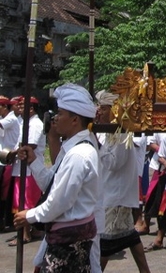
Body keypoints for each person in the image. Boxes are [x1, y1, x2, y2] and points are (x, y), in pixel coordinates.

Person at [14, 84, 99, 272]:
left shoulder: (79, 154)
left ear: (75, 119)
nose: (55, 119)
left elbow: (59, 202)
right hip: (61, 235)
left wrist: (29, 215)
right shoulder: (69, 149)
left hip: (70, 242)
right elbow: (50, 184)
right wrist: (34, 161)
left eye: (60, 114)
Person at [95, 90, 151, 273]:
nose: (99, 112)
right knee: (131, 238)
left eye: (103, 109)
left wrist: (96, 145)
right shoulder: (110, 132)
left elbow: (113, 163)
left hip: (115, 197)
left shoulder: (120, 134)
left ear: (113, 111)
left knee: (105, 244)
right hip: (112, 194)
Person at [10, 96, 45, 245]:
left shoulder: (36, 123)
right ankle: (31, 230)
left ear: (31, 108)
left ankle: (24, 234)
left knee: (25, 201)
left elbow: (32, 144)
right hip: (21, 167)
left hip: (30, 168)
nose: (19, 108)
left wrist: (14, 152)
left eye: (22, 105)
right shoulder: (24, 121)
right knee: (22, 200)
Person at [0, 96, 20, 231]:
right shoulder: (4, 119)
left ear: (4, 107)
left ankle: (4, 221)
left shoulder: (11, 119)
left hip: (6, 160)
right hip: (2, 159)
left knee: (4, 193)